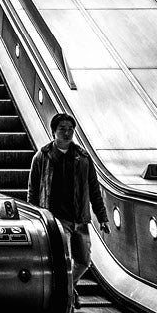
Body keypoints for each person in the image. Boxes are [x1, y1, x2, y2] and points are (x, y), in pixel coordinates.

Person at [28, 112, 104, 302]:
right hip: (56, 219)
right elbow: (33, 189)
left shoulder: (83, 157)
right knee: (65, 261)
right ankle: (67, 302)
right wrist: (33, 217)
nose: (67, 133)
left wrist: (102, 217)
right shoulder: (42, 156)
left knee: (84, 261)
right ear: (53, 131)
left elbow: (94, 189)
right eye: (62, 129)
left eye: (70, 129)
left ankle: (69, 288)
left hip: (80, 218)